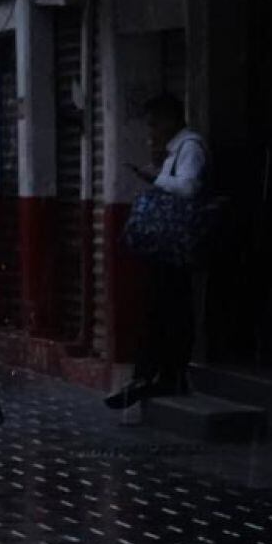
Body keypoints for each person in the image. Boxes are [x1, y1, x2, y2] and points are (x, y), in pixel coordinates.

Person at [107, 94, 208, 410]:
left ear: (171, 120)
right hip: (166, 248)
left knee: (170, 308)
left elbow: (189, 187)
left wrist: (157, 177)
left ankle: (164, 373)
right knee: (160, 307)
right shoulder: (174, 150)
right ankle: (152, 373)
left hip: (176, 244)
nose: (151, 130)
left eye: (155, 123)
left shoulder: (190, 147)